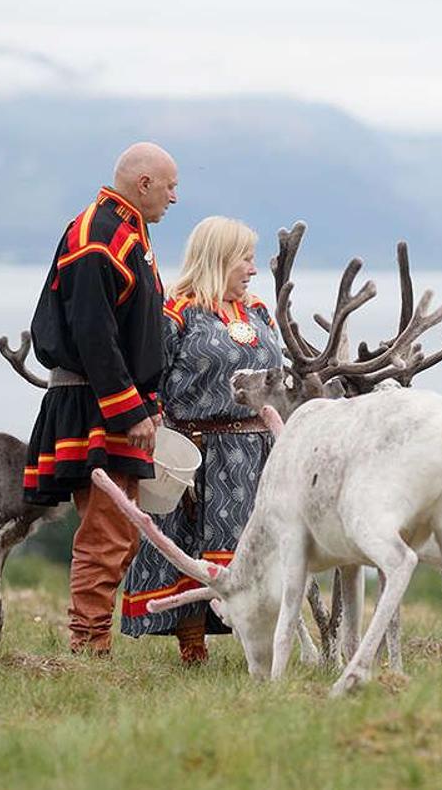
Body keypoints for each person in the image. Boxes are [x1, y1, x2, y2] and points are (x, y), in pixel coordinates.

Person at [23, 142, 179, 655]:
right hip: (96, 404)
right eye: (171, 186)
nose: (175, 198)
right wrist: (130, 408)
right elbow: (93, 331)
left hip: (109, 400)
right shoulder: (99, 233)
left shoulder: (126, 229)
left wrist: (145, 401)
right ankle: (87, 646)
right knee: (108, 530)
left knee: (119, 529)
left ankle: (90, 641)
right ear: (144, 183)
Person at [120, 216, 281, 665]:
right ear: (219, 258)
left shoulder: (259, 312)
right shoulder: (177, 312)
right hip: (199, 449)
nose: (252, 268)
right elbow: (150, 379)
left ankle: (264, 643)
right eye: (244, 259)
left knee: (259, 551)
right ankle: (193, 646)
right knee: (191, 547)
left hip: (257, 451)